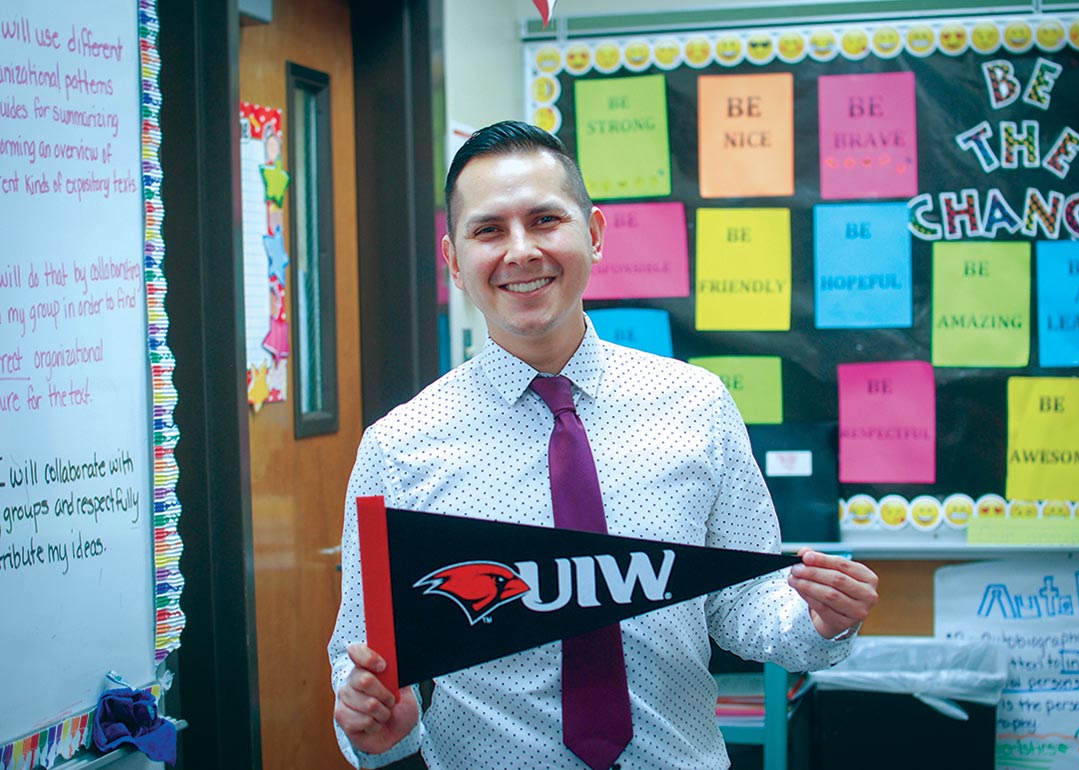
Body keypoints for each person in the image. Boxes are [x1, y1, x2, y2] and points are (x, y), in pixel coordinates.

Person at [329, 120, 879, 769]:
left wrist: (817, 623)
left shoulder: (695, 405)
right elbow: (361, 652)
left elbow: (740, 600)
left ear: (592, 233)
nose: (520, 251)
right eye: (488, 230)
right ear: (452, 259)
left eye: (543, 220)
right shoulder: (399, 446)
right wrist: (375, 723)